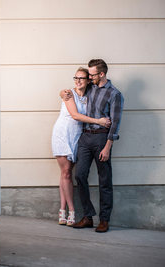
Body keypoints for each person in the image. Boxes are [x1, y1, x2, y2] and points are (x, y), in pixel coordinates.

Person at [62, 59, 124, 233]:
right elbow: (72, 91)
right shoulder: (90, 87)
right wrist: (62, 93)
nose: (89, 77)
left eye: (92, 74)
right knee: (80, 176)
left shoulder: (114, 94)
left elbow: (116, 122)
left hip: (102, 140)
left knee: (105, 180)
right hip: (85, 138)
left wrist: (108, 146)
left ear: (102, 74)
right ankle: (88, 217)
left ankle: (104, 220)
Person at [52, 67, 110, 226]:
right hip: (63, 134)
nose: (78, 81)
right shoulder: (69, 93)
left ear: (88, 80)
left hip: (78, 136)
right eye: (75, 78)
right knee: (66, 173)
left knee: (67, 173)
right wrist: (99, 121)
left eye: (82, 78)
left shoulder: (90, 94)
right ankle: (71, 211)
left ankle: (61, 209)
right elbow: (76, 115)